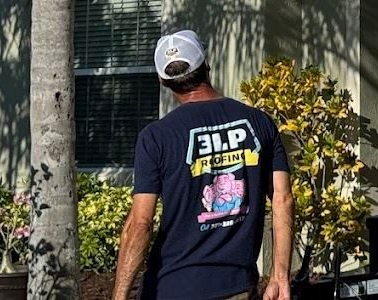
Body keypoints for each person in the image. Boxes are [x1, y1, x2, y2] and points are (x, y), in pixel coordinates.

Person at [112, 31, 294, 300]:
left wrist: (119, 295)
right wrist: (280, 276)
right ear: (206, 65)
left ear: (163, 80)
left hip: (172, 288)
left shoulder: (157, 137)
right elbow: (283, 199)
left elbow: (140, 224)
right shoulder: (259, 123)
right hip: (237, 286)